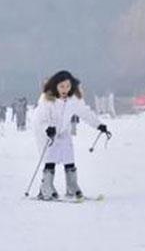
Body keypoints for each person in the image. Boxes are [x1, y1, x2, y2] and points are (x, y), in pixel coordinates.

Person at [34, 70, 109, 200]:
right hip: (47, 130)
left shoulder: (73, 99)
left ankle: (72, 186)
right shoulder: (47, 99)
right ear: (55, 86)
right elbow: (41, 119)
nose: (65, 89)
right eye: (62, 86)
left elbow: (85, 112)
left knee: (68, 155)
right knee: (50, 157)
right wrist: (47, 128)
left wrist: (98, 125)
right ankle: (46, 187)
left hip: (63, 131)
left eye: (68, 86)